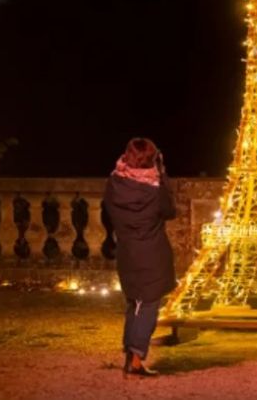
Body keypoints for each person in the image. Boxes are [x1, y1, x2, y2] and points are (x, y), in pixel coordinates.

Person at [101, 138, 176, 378]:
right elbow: (170, 212)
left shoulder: (114, 184)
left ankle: (130, 355)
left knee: (134, 303)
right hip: (151, 255)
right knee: (148, 307)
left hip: (127, 253)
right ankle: (135, 358)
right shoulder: (155, 190)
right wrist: (162, 177)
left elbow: (108, 213)